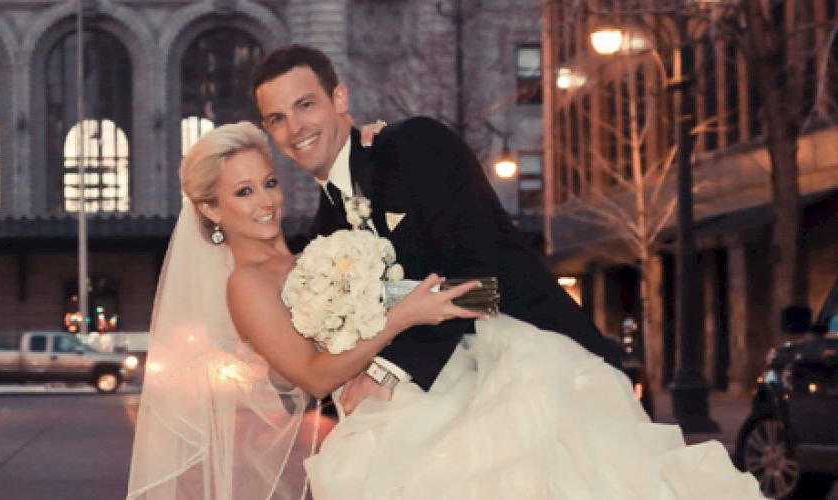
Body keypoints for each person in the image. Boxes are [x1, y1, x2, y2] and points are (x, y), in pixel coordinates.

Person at [128, 123, 761, 499]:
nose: (265, 201)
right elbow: (313, 375)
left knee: (562, 431)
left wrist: (381, 153)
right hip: (384, 421)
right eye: (243, 192)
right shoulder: (246, 285)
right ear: (210, 210)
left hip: (430, 385)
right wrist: (401, 319)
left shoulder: (316, 246)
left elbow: (410, 273)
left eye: (268, 182)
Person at [249, 45, 622, 403]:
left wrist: (389, 370)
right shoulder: (325, 233)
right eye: (277, 119)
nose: (295, 127)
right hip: (441, 386)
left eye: (305, 105)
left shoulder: (413, 145)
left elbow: (479, 274)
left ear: (340, 100)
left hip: (535, 361)